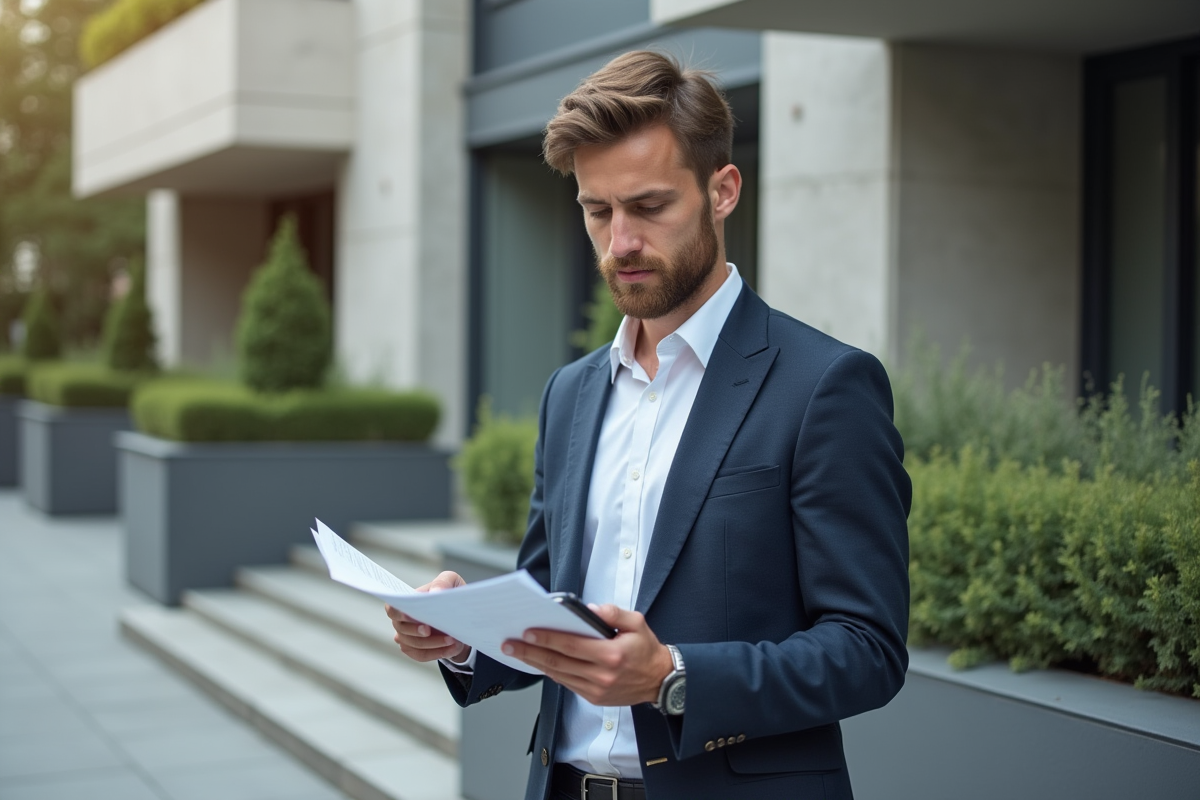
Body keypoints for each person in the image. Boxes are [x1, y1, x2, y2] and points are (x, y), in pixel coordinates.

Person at [387, 50, 911, 800]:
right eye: (598, 211)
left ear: (722, 190)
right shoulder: (569, 394)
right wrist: (462, 634)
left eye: (650, 206)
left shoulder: (826, 386)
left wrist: (673, 678)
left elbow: (867, 650)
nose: (620, 241)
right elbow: (551, 600)